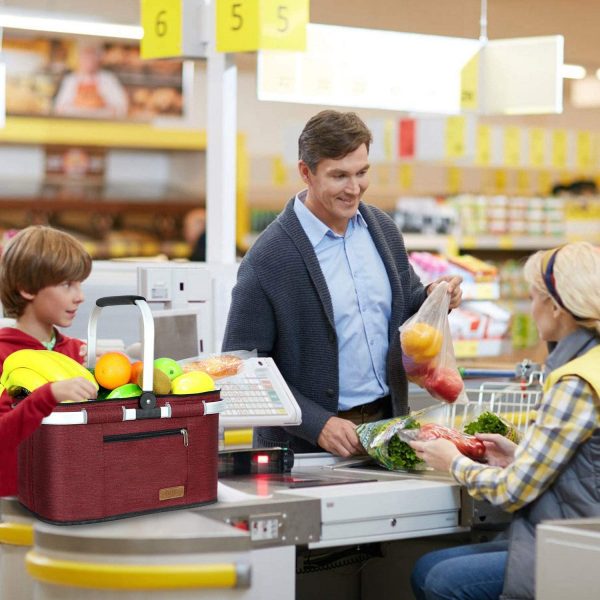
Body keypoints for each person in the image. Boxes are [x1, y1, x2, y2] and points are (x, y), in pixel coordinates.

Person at [222, 110, 462, 456]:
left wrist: (434, 296)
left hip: (387, 429)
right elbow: (240, 365)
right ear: (306, 172)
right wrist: (315, 422)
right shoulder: (269, 259)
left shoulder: (382, 230)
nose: (354, 189)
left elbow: (404, 302)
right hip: (307, 449)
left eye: (362, 173)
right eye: (339, 176)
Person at [409, 241, 600, 600]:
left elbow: (512, 492)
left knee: (439, 579)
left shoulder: (574, 383)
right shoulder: (592, 364)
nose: (531, 309)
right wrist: (519, 454)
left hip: (575, 547)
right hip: (578, 529)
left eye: (534, 298)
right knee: (430, 568)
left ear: (557, 307)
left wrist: (453, 462)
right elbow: (589, 465)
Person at [0, 226, 98, 497]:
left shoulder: (77, 352)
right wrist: (48, 395)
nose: (80, 296)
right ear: (27, 288)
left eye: (80, 283)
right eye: (67, 284)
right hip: (15, 505)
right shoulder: (3, 355)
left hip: (68, 497)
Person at [53, 42, 129, 119]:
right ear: (79, 60)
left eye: (92, 58)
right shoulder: (71, 80)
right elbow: (59, 107)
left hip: (102, 124)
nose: (89, 62)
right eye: (85, 58)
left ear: (98, 60)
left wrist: (102, 107)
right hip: (74, 123)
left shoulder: (108, 79)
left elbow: (121, 108)